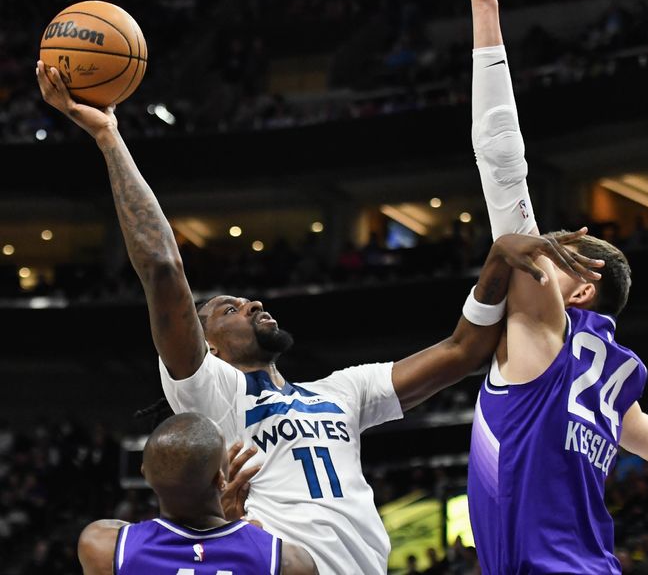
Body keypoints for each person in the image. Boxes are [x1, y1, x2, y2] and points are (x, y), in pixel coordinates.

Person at [36, 62, 602, 574]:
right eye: (229, 308)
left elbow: (463, 351)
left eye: (248, 299)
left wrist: (498, 257)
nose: (253, 303)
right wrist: (110, 138)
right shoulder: (212, 392)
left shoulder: (343, 390)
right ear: (205, 344)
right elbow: (162, 266)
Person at [456, 0, 648, 572]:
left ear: (581, 288)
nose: (533, 255)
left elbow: (503, 164)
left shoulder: (545, 330)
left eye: (550, 259)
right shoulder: (615, 381)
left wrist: (485, 8)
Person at [77, 412, 317, 574]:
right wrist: (233, 527)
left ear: (144, 473)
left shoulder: (103, 545)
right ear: (221, 479)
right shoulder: (288, 560)